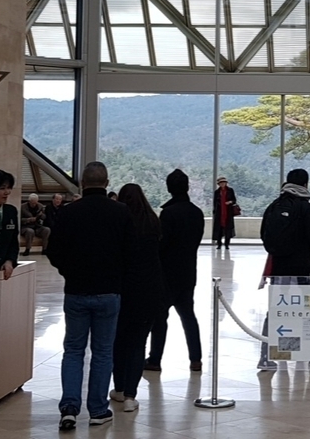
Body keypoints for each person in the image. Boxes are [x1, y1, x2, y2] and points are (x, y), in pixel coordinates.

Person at [44, 162, 133, 430]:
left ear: (82, 184)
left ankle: (69, 408)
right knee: (103, 352)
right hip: (109, 291)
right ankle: (97, 409)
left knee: (73, 350)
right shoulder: (121, 212)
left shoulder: (70, 213)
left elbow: (54, 250)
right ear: (107, 183)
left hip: (76, 291)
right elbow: (131, 252)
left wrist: (69, 272)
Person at [256, 168, 310, 371]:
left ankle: (266, 356)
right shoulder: (305, 207)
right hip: (301, 268)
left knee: (276, 309)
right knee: (307, 310)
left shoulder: (274, 206)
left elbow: (263, 235)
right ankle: (309, 356)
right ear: (306, 184)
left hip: (279, 268)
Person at [109, 184, 166, 414]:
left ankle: (120, 388)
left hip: (122, 290)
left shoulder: (119, 222)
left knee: (118, 342)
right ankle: (132, 395)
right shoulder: (153, 222)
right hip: (149, 290)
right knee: (137, 343)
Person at [147, 169, 204, 373]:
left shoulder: (168, 213)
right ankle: (195, 359)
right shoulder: (196, 212)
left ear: (169, 188)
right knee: (188, 316)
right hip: (188, 271)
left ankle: (155, 359)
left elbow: (162, 245)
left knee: (160, 317)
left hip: (167, 273)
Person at [211, 177, 239, 248]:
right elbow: (215, 202)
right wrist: (215, 210)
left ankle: (227, 244)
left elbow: (234, 200)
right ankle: (219, 244)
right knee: (219, 228)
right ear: (219, 184)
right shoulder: (217, 192)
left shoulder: (230, 190)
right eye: (221, 183)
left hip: (228, 212)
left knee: (228, 228)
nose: (223, 184)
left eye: (224, 182)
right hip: (219, 212)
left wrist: (230, 202)